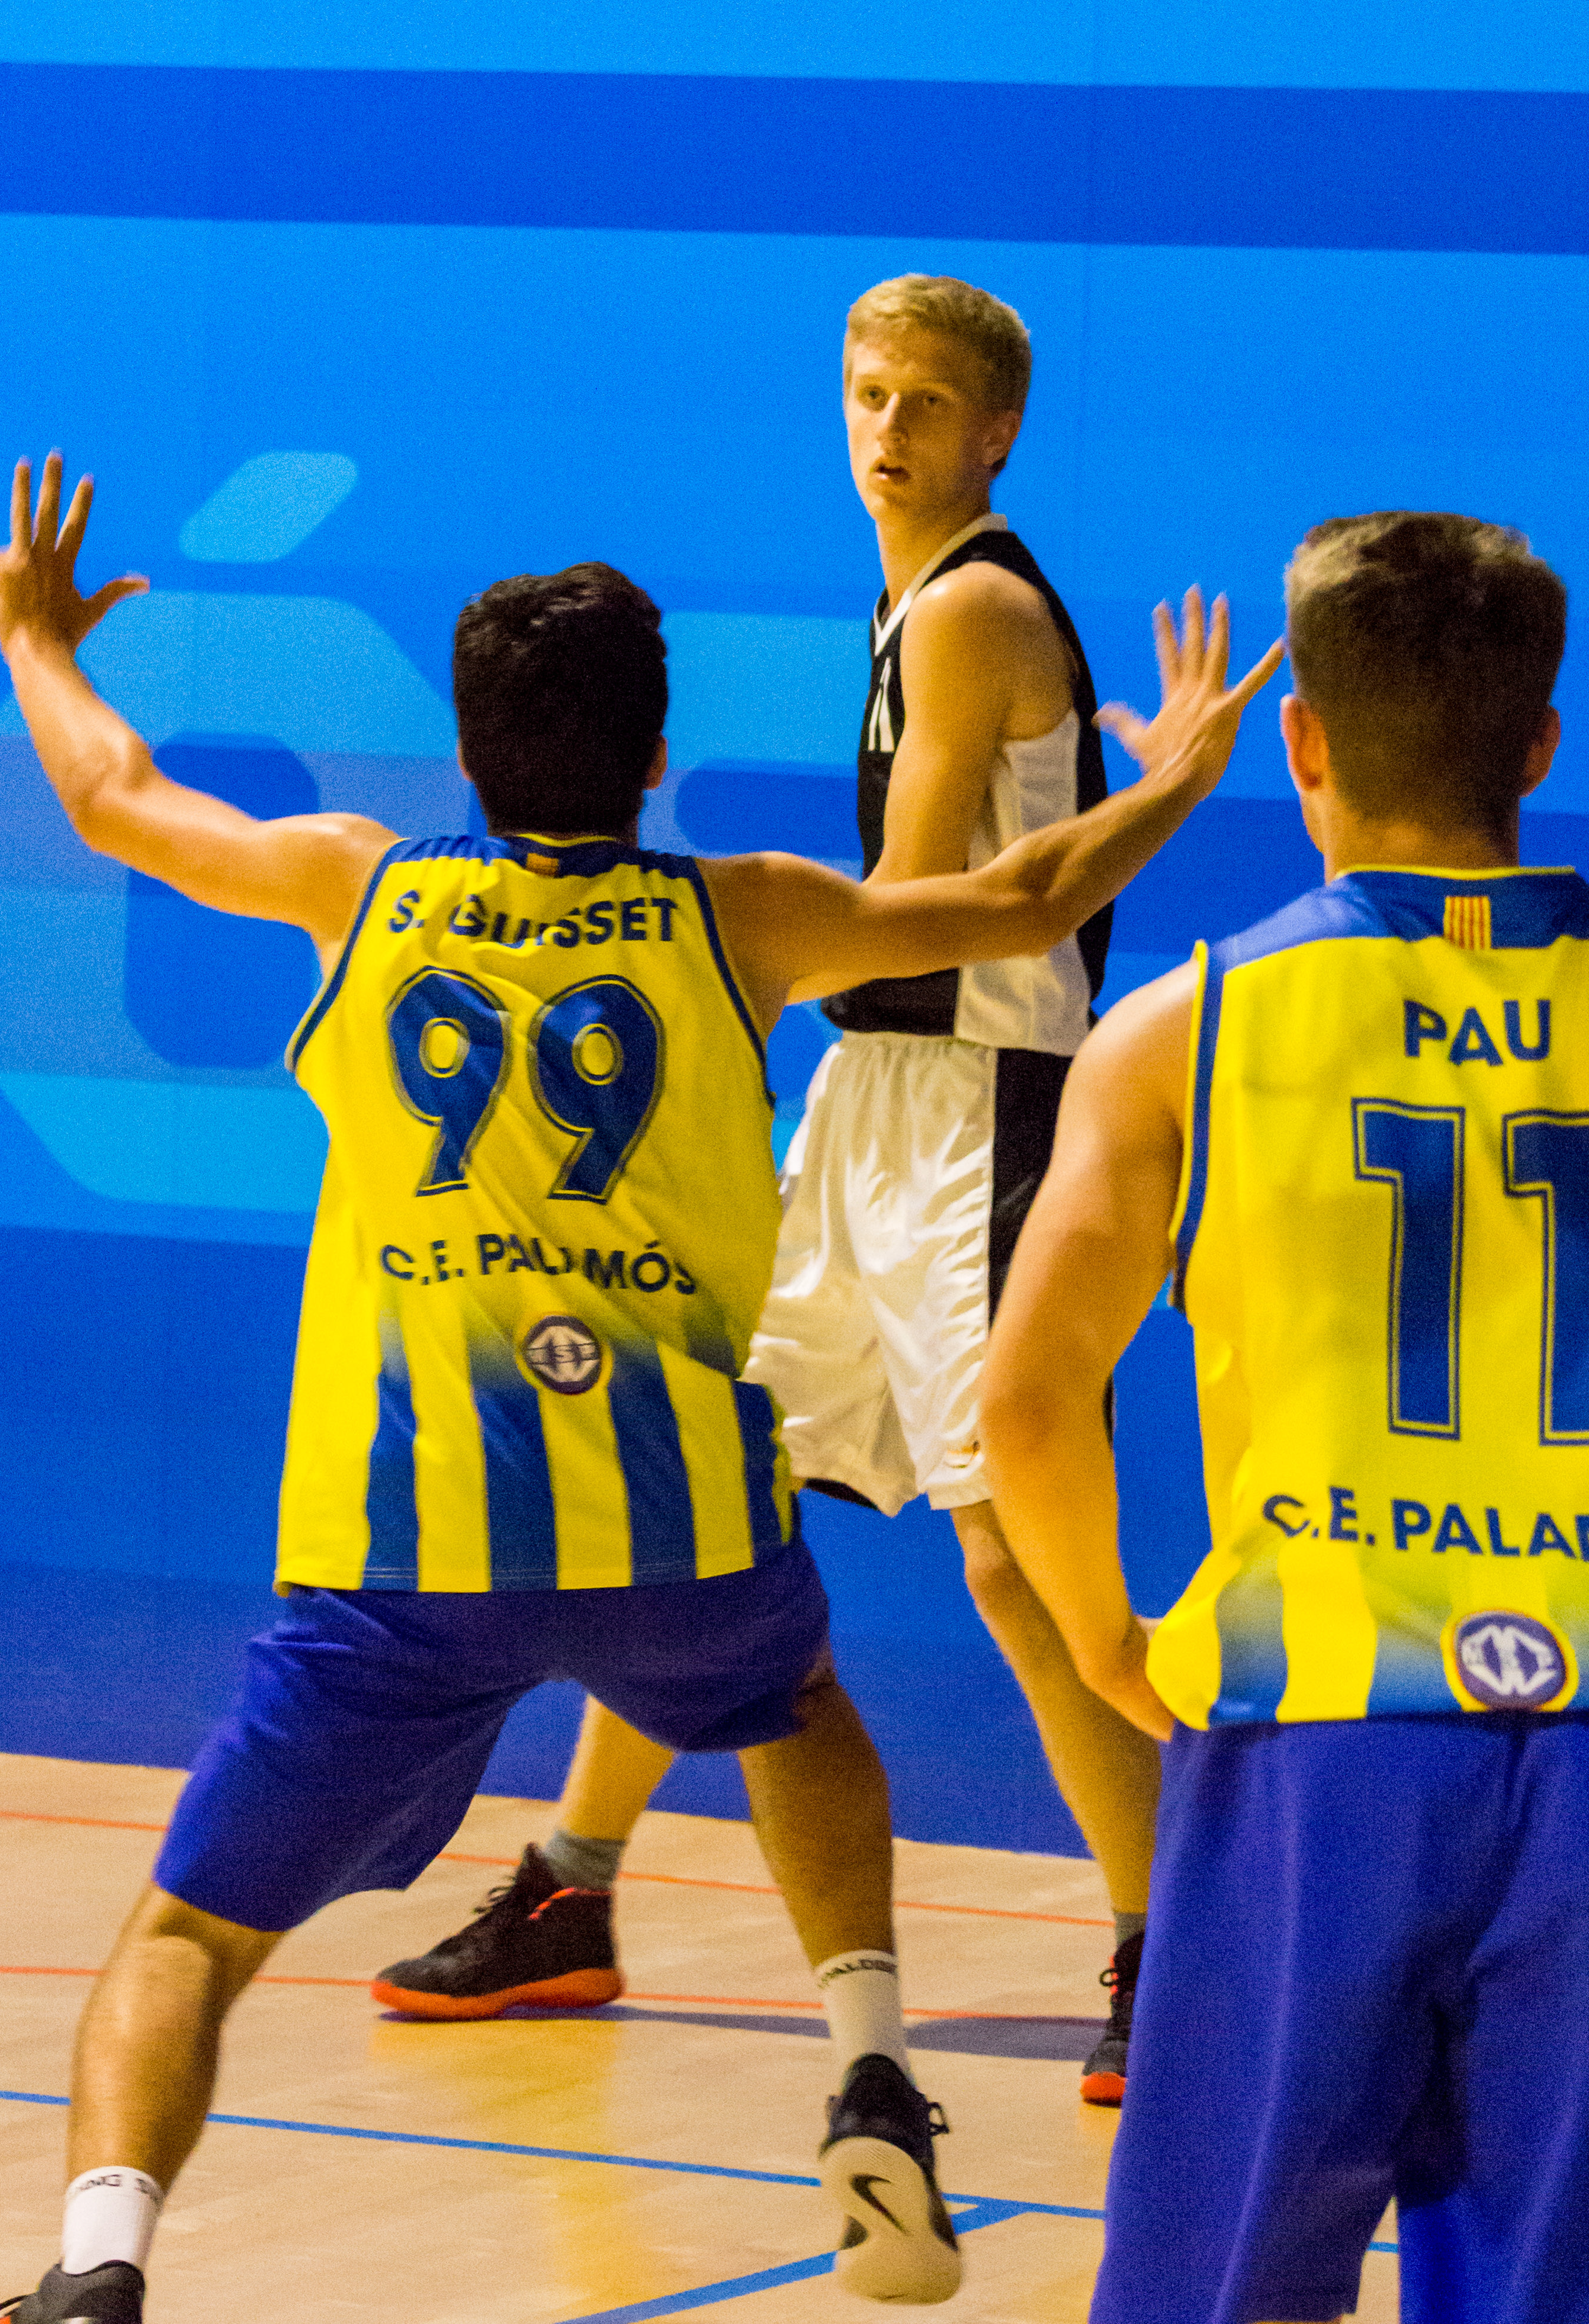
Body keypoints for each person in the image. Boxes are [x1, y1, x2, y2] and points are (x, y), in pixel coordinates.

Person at [0, 451, 1276, 2324]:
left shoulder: (358, 888)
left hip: (404, 1559)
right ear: (658, 759)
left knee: (184, 1938)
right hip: (683, 1542)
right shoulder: (744, 917)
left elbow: (113, 795)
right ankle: (870, 2069)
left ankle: (98, 2266)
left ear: (463, 750)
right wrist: (1180, 774)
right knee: (799, 1708)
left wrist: (34, 638)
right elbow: (1029, 893)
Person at [379, 275, 1168, 2107]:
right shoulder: (914, 596)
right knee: (702, 1500)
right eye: (867, 393)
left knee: (1016, 1560)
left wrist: (705, 950)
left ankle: (1171, 1932)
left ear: (997, 432)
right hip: (882, 1102)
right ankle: (571, 1887)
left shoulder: (971, 607)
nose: (885, 428)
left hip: (982, 1107)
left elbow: (909, 907)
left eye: (925, 402)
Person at [981, 512, 1589, 2324]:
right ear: (1541, 741)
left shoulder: (1184, 1030)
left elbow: (1027, 1400)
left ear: (1303, 742)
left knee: (1221, 2293)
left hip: (1315, 1737)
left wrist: (1112, 1646)